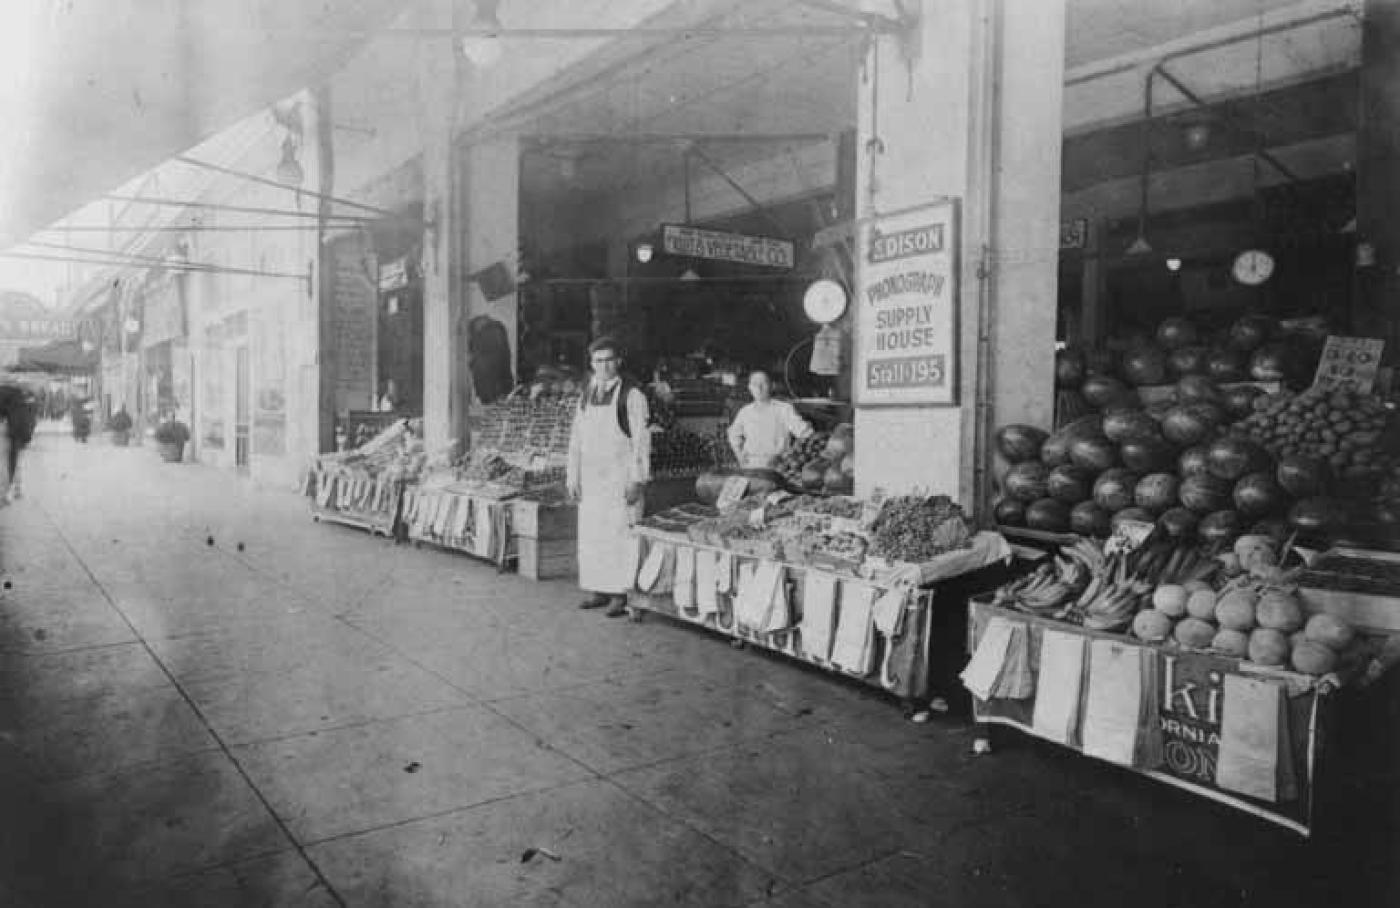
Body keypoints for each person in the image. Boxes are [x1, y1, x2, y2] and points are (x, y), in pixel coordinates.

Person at [567, 336, 650, 617]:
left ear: (618, 362)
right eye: (597, 361)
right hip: (592, 479)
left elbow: (641, 441)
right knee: (592, 535)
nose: (603, 366)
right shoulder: (586, 393)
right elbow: (576, 439)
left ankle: (620, 593)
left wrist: (637, 480)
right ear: (591, 364)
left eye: (608, 360)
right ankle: (597, 589)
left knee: (619, 535)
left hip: (619, 478)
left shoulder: (632, 395)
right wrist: (573, 476)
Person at [726, 370, 813, 469]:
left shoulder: (784, 409)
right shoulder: (745, 411)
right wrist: (739, 455)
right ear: (749, 388)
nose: (759, 388)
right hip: (750, 464)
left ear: (772, 386)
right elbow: (733, 435)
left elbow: (806, 433)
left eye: (764, 383)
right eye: (754, 384)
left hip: (778, 466)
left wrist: (788, 456)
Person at [0, 383, 37, 502]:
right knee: (15, 460)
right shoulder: (22, 398)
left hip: (11, 431)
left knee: (7, 462)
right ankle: (17, 489)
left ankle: (6, 494)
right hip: (20, 433)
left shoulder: (6, 394)